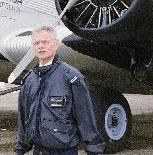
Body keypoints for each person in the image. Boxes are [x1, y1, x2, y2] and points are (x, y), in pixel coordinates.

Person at [15, 25, 105, 155]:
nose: (41, 46)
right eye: (36, 43)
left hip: (64, 151)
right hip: (38, 150)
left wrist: (94, 149)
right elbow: (23, 118)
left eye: (45, 42)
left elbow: (85, 118)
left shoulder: (72, 77)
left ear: (56, 44)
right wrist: (20, 149)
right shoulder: (29, 80)